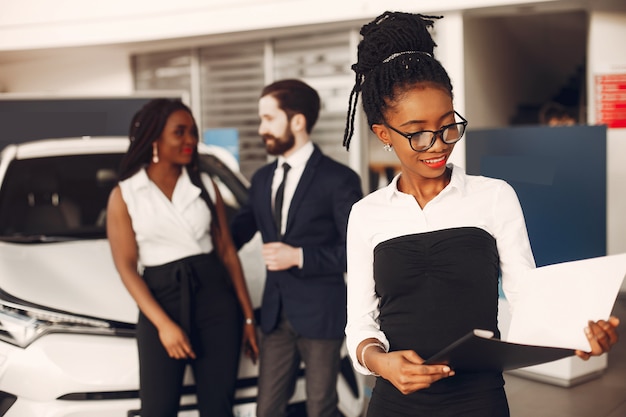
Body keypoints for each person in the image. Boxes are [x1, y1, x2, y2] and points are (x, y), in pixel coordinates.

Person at [342, 11, 619, 417]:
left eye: (448, 125)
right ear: (384, 134)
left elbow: (527, 295)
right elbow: (360, 322)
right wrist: (378, 360)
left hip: (478, 401)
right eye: (418, 132)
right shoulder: (367, 214)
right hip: (394, 404)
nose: (438, 144)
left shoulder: (494, 197)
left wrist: (579, 331)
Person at [106, 98, 258, 417]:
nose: (190, 140)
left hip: (216, 302)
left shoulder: (205, 184)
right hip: (162, 301)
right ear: (155, 139)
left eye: (193, 132)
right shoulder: (126, 194)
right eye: (180, 132)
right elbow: (125, 267)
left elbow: (228, 253)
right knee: (158, 409)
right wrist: (164, 326)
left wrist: (247, 318)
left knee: (218, 408)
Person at [230, 79, 363, 417]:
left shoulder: (338, 180)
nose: (262, 129)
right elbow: (236, 232)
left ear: (298, 121)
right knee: (267, 410)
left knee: (321, 407)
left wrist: (299, 256)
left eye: (268, 119)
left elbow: (358, 252)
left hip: (322, 313)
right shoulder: (261, 179)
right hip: (275, 316)